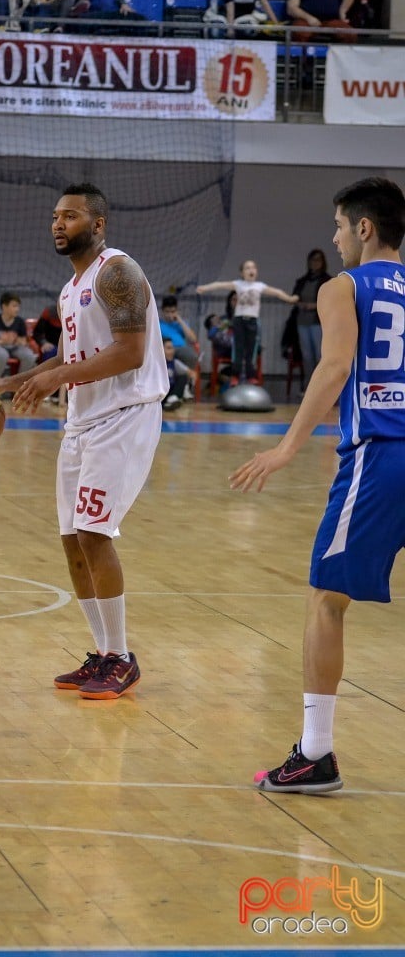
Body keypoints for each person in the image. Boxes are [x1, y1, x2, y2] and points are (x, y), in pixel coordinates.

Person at [229, 177, 405, 794]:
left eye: (337, 226)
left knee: (326, 599)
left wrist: (286, 448)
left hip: (381, 456)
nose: (333, 238)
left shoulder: (342, 286)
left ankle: (317, 755)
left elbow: (334, 366)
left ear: (364, 228)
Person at [0, 182, 169, 699]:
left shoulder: (118, 272)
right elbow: (67, 357)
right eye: (55, 216)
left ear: (97, 225)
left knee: (95, 533)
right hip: (82, 421)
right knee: (73, 541)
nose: (58, 224)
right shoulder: (70, 288)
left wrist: (58, 380)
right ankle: (101, 653)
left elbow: (130, 353)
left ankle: (121, 658)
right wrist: (12, 383)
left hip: (125, 415)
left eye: (70, 216)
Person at [197, 261, 298, 386]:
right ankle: (235, 375)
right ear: (242, 272)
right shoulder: (238, 284)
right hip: (239, 320)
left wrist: (290, 299)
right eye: (247, 268)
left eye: (253, 267)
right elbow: (220, 285)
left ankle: (251, 375)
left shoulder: (259, 286)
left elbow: (277, 292)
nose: (251, 270)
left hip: (252, 320)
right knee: (238, 348)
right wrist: (205, 288)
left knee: (251, 348)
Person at [291, 248, 332, 387]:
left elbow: (330, 301)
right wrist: (299, 303)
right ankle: (308, 385)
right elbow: (295, 297)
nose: (315, 263)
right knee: (307, 357)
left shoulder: (327, 280)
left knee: (320, 356)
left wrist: (314, 306)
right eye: (312, 260)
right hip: (302, 321)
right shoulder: (302, 281)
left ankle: (322, 386)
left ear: (323, 262)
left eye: (318, 260)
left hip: (318, 322)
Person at [0, 292, 37, 384]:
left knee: (29, 356)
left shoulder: (19, 321)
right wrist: (2, 341)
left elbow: (23, 341)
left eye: (18, 306)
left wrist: (17, 341)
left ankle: (18, 384)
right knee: (2, 355)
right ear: (4, 306)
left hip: (14, 347)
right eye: (14, 306)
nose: (17, 309)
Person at [286, 0, 357, 41]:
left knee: (349, 34)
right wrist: (309, 18)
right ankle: (302, 61)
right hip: (306, 20)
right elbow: (291, 8)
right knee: (300, 33)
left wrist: (343, 10)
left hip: (331, 20)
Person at [162, 338, 193, 410]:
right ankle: (167, 403)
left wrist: (190, 383)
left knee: (183, 377)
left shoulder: (175, 362)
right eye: (169, 348)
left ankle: (171, 400)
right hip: (159, 394)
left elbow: (190, 372)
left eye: (172, 348)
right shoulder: (155, 364)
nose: (172, 351)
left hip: (170, 392)